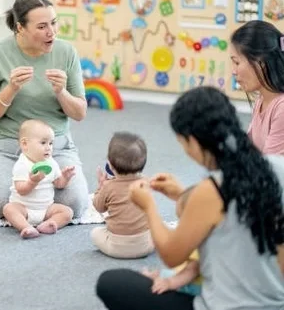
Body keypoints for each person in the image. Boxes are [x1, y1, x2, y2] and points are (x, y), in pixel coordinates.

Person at [96, 86, 284, 310]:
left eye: (182, 143)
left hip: (226, 305)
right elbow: (231, 210)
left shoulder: (211, 190)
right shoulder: (275, 166)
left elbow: (171, 255)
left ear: (193, 141)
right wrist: (183, 194)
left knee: (111, 283)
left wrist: (149, 207)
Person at [0, 0, 89, 219]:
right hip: (5, 144)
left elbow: (80, 113)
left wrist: (61, 92)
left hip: (53, 146)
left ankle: (31, 196)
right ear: (20, 28)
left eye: (54, 23)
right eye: (42, 26)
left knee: (75, 205)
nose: (52, 32)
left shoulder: (66, 52)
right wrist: (11, 89)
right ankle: (12, 184)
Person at [3, 119, 75, 239]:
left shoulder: (51, 163)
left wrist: (66, 178)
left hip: (46, 209)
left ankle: (49, 224)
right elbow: (21, 190)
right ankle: (26, 227)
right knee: (9, 209)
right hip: (24, 207)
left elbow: (59, 184)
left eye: (51, 143)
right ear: (25, 144)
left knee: (67, 212)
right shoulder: (22, 164)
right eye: (43, 143)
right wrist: (33, 181)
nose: (48, 148)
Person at [90, 131, 154, 259]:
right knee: (156, 228)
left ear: (110, 166)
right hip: (146, 245)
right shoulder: (146, 182)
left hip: (116, 247)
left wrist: (101, 187)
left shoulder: (109, 187)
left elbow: (99, 207)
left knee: (95, 233)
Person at [229, 20, 284, 154]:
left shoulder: (281, 108)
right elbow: (249, 150)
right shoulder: (262, 99)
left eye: (237, 62)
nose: (233, 71)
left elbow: (270, 169)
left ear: (261, 63)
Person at [142, 186, 202, 296]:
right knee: (167, 272)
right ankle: (156, 275)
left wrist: (169, 283)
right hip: (201, 280)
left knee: (163, 279)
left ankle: (153, 279)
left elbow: (191, 271)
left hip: (195, 287)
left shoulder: (199, 243)